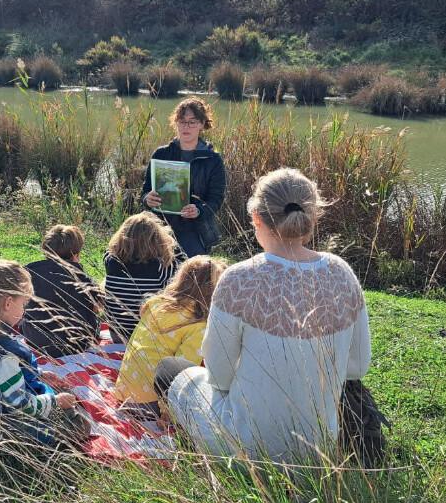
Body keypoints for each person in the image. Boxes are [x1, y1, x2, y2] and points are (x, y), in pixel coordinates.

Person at [156, 168, 371, 462]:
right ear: (313, 217)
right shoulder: (343, 273)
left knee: (169, 369)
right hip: (316, 450)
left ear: (256, 217)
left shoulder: (238, 279)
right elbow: (357, 367)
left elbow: (219, 376)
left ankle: (198, 459)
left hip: (243, 449)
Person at [0, 256, 92, 449]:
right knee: (80, 423)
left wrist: (39, 374)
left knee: (61, 392)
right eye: (23, 303)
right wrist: (56, 402)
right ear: (8, 303)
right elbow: (21, 404)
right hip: (8, 429)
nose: (24, 309)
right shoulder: (5, 354)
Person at [113, 255, 226, 418]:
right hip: (150, 404)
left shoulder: (157, 304)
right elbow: (180, 377)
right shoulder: (198, 326)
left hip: (124, 391)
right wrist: (168, 415)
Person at [142, 97, 227, 258]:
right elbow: (145, 191)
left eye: (192, 122)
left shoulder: (213, 160)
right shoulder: (161, 154)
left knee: (191, 273)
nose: (186, 126)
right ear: (176, 123)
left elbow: (216, 199)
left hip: (195, 229)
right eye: (182, 121)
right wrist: (148, 199)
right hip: (161, 225)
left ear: (202, 124)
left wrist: (199, 210)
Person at [20, 225, 104, 356]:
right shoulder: (82, 278)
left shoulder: (28, 273)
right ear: (76, 254)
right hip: (75, 344)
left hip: (35, 339)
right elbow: (99, 305)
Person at [103, 212, 179, 342]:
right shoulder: (162, 266)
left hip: (117, 334)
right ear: (158, 239)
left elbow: (110, 250)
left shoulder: (110, 260)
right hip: (147, 336)